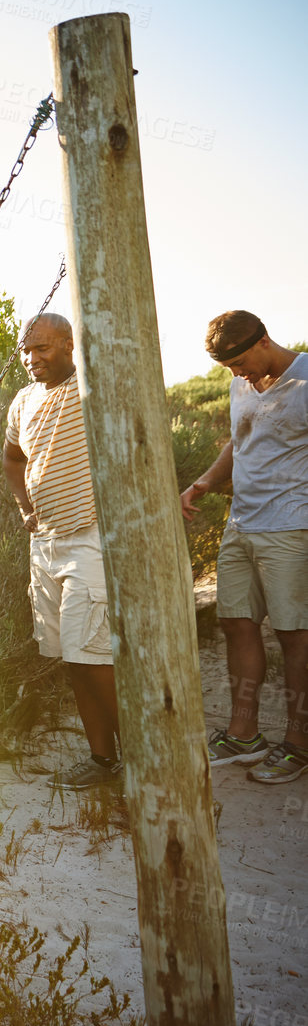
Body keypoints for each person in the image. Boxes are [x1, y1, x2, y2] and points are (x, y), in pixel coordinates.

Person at [181, 311, 308, 784]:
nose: (237, 375)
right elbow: (239, 441)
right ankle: (243, 735)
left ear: (262, 341)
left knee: (296, 635)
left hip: (292, 526)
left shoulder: (305, 381)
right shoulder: (242, 384)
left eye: (240, 364)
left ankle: (298, 743)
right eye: (228, 369)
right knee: (236, 623)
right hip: (241, 523)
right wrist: (203, 483)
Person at [3, 312, 120, 790]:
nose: (32, 359)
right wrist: (24, 508)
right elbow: (12, 459)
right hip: (45, 543)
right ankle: (102, 760)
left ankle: (146, 758)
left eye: (44, 348)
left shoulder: (93, 386)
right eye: (26, 350)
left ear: (70, 345)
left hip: (90, 537)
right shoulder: (23, 400)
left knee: (93, 655)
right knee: (72, 659)